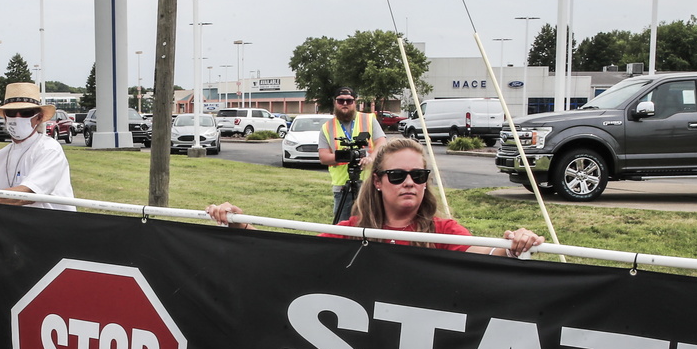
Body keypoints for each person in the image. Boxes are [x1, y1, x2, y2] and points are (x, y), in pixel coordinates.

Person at [208, 136, 544, 258]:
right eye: (398, 175)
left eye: (419, 175)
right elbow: (292, 256)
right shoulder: (351, 229)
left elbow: (487, 252)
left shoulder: (442, 230)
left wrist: (515, 244)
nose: (409, 182)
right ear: (379, 182)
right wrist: (241, 225)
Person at [0, 82, 74, 209]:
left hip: (49, 226)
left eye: (25, 112)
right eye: (11, 113)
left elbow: (29, 194)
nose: (17, 118)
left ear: (39, 118)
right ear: (5, 118)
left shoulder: (49, 149)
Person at [317, 86, 385, 223]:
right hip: (342, 186)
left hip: (368, 184)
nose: (345, 104)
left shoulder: (369, 119)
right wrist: (346, 156)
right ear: (335, 102)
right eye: (341, 101)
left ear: (355, 102)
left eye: (349, 101)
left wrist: (371, 158)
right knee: (341, 227)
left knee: (370, 224)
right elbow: (323, 157)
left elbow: (382, 143)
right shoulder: (327, 127)